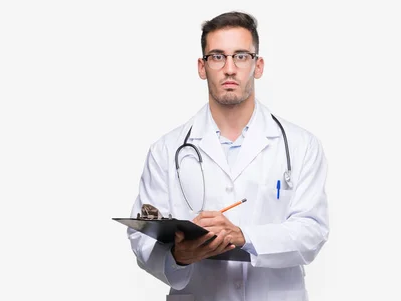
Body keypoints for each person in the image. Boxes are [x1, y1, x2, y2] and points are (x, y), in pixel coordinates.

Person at [126, 11, 329, 301]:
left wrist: (244, 236)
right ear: (202, 66)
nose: (230, 68)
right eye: (217, 56)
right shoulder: (166, 150)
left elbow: (312, 232)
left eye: (241, 56)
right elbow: (142, 238)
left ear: (258, 66)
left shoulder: (301, 145)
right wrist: (178, 256)